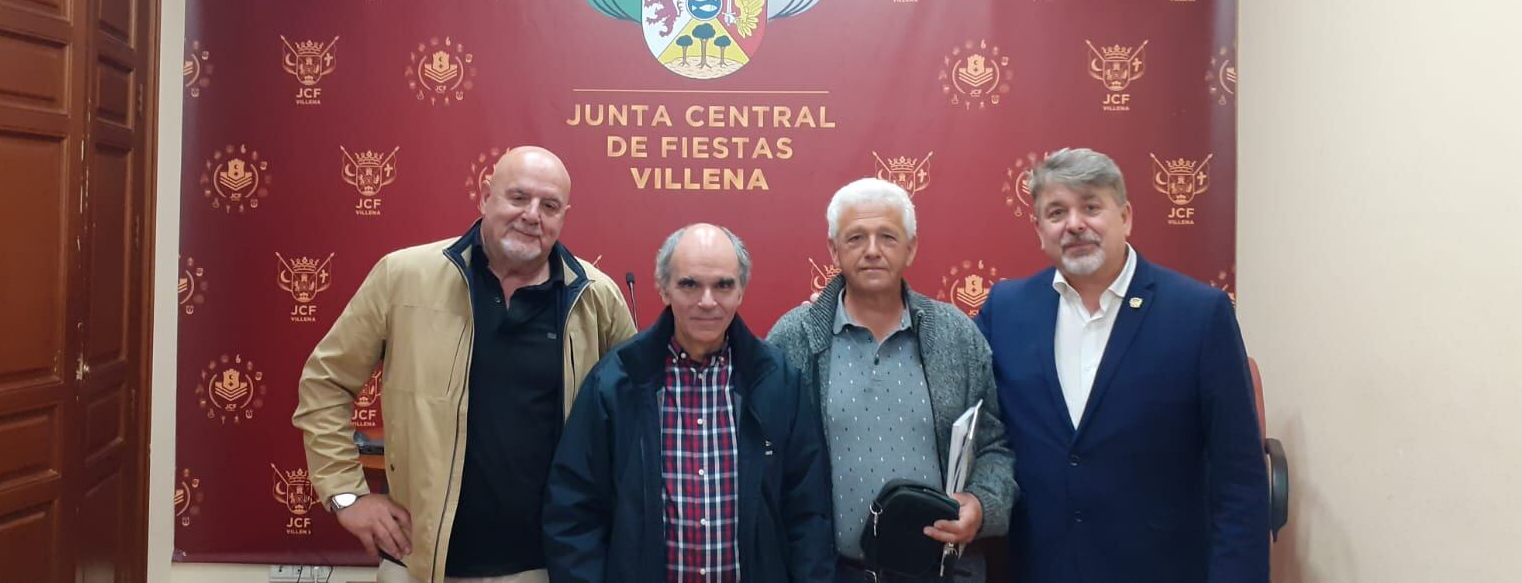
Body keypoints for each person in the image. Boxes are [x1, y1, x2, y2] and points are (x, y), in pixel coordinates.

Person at [293, 146, 637, 583]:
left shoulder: (596, 297)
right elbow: (325, 384)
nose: (532, 215)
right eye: (518, 198)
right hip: (420, 564)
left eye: (549, 206)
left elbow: (637, 419)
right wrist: (345, 495)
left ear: (563, 216)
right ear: (485, 196)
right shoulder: (402, 277)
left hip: (548, 569)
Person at [973, 147, 1268, 581]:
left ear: (1125, 216)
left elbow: (1239, 477)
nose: (1074, 224)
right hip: (1042, 566)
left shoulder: (1200, 314)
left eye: (1091, 206)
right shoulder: (1006, 310)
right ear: (1039, 229)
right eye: (1057, 212)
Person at [543, 224, 835, 582]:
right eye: (689, 284)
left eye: (723, 285)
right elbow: (574, 512)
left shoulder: (777, 382)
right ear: (664, 288)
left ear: (741, 290)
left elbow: (808, 514)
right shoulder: (616, 382)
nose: (707, 301)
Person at [767, 178, 1018, 582]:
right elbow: (769, 459)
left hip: (944, 573)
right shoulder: (794, 338)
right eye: (855, 238)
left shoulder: (957, 334)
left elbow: (993, 444)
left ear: (911, 247)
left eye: (887, 236)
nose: (871, 250)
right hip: (832, 574)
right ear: (833, 250)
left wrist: (982, 503)